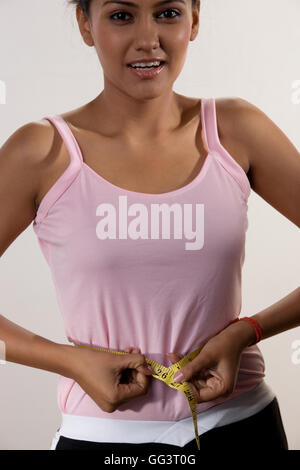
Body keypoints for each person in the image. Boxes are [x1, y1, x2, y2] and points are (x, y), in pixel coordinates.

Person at [0, 0, 299, 453]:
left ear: (194, 19)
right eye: (122, 15)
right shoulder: (40, 154)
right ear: (86, 23)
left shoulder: (237, 131)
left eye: (168, 13)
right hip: (103, 439)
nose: (148, 39)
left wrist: (247, 332)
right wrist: (68, 361)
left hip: (242, 427)